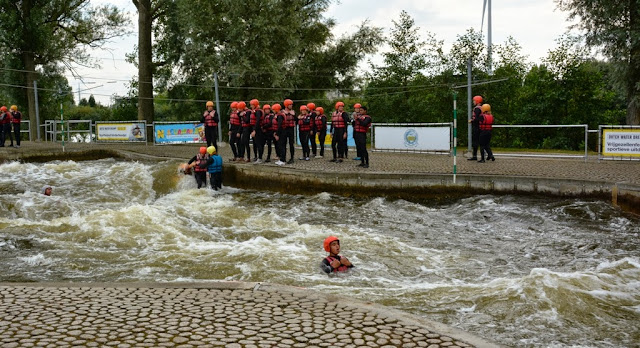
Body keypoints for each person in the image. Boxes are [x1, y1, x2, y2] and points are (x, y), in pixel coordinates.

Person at [468, 95, 483, 161]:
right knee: (481, 142)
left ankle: (475, 156)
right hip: (480, 127)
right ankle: (487, 155)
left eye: (474, 100)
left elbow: (477, 118)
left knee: (475, 142)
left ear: (477, 101)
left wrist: (472, 120)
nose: (473, 102)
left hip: (476, 127)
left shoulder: (477, 109)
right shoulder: (482, 108)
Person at [282, 99, 296, 164]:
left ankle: (292, 158)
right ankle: (283, 158)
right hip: (284, 129)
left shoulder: (293, 112)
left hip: (291, 129)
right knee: (283, 144)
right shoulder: (282, 112)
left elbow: (297, 120)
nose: (291, 106)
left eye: (291, 104)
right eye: (290, 104)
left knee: (291, 144)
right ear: (286, 105)